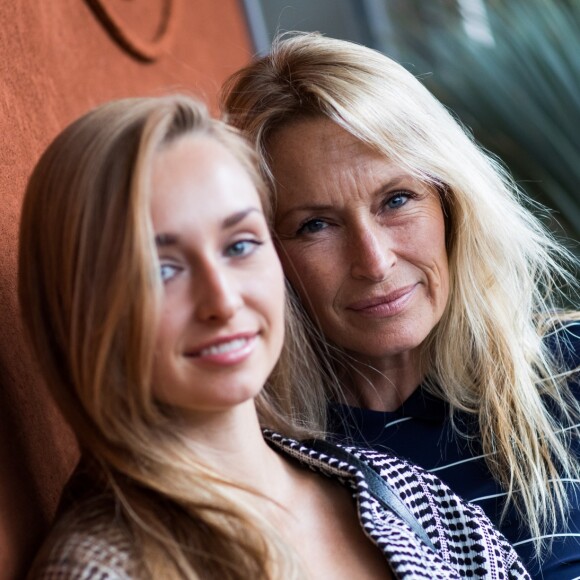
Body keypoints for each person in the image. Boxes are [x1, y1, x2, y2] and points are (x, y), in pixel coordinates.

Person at [19, 94, 529, 579]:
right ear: (81, 308)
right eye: (160, 270)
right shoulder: (98, 569)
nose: (223, 300)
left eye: (239, 245)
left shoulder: (396, 489)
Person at [221, 33, 580, 579]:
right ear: (268, 252)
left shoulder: (569, 373)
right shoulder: (266, 459)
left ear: (451, 203)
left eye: (397, 200)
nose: (374, 260)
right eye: (315, 225)